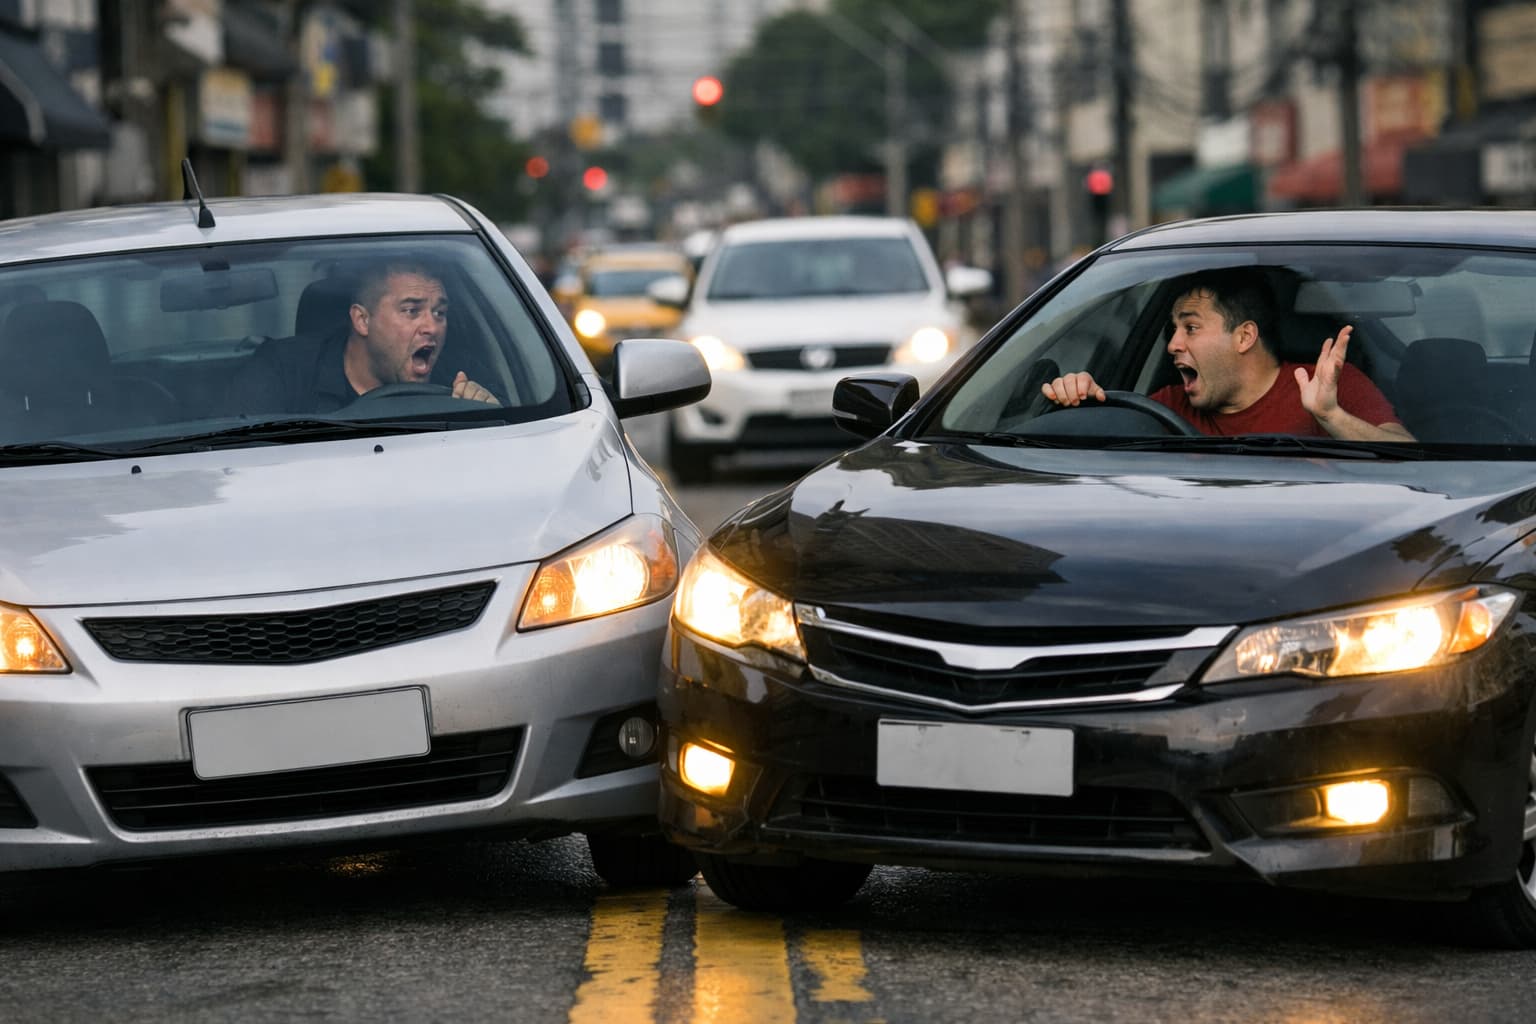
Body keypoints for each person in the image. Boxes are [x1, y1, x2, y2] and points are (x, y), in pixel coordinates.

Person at [1041, 268, 1413, 441]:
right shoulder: (1166, 406)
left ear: (1244, 336)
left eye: (1190, 328)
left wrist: (1331, 416)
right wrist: (1083, 402)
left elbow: (1406, 451)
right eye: (1173, 330)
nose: (1173, 344)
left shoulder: (1327, 386)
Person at [226, 259, 499, 415]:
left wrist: (487, 416)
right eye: (411, 310)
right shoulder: (284, 372)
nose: (432, 327)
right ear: (362, 320)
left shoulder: (460, 378)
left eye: (439, 312)